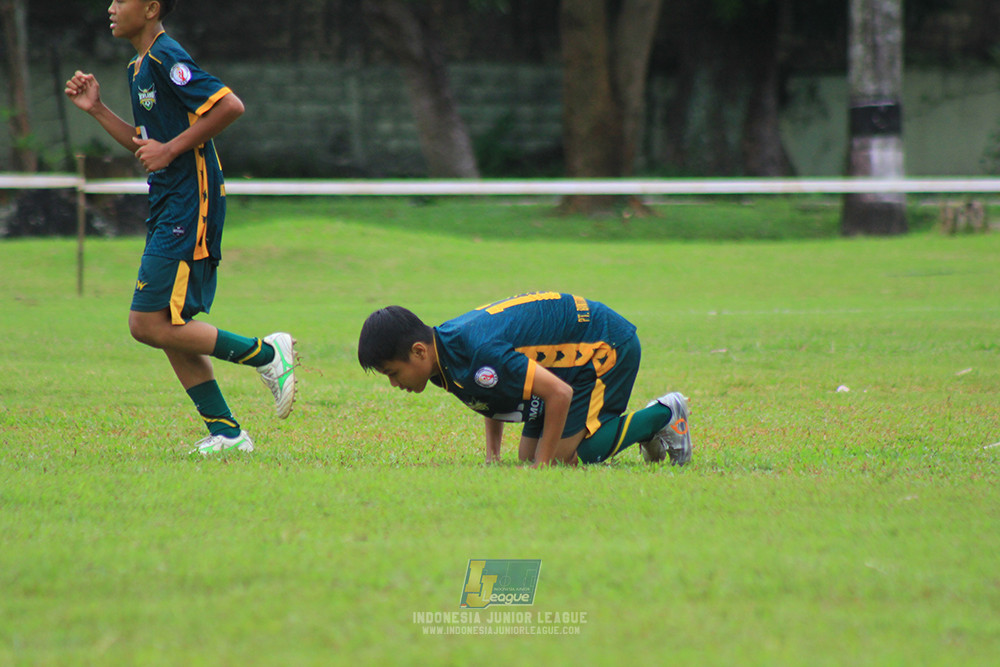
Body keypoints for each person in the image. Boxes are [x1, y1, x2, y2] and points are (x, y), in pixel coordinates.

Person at [65, 0, 296, 454]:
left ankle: (267, 354)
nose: (110, 7)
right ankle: (227, 433)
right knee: (169, 322)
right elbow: (145, 141)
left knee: (145, 323)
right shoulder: (139, 66)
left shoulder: (167, 56)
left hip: (191, 206)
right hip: (169, 204)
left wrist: (170, 151)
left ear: (151, 8)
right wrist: (96, 109)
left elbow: (230, 105)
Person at [357, 292, 692, 467]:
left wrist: (544, 466)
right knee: (527, 456)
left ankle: (663, 415)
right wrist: (493, 454)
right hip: (566, 364)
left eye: (393, 373)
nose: (394, 384)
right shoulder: (443, 353)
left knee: (560, 459)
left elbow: (559, 393)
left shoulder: (477, 349)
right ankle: (642, 429)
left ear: (418, 352)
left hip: (603, 346)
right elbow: (488, 391)